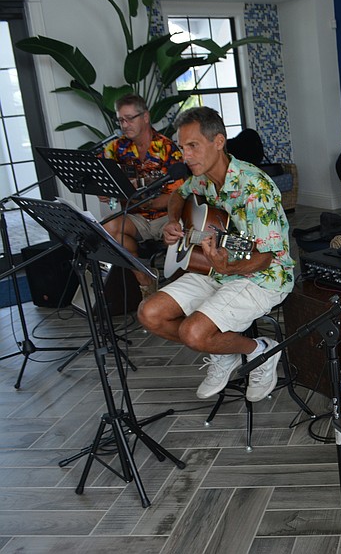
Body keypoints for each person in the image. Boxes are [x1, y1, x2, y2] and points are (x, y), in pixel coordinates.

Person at [137, 106, 295, 402]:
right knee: (150, 314)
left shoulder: (255, 188)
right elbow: (177, 196)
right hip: (214, 269)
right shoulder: (203, 179)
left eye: (193, 146)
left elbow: (267, 256)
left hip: (262, 277)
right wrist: (174, 222)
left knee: (193, 334)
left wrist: (229, 269)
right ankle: (222, 352)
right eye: (183, 148)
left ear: (218, 142)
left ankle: (261, 350)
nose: (185, 156)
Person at [99, 94, 184, 298]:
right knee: (108, 228)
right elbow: (101, 181)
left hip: (167, 216)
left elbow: (179, 195)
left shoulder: (168, 148)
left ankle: (177, 294)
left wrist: (143, 200)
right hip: (137, 218)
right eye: (121, 120)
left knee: (183, 232)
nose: (125, 125)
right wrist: (104, 191)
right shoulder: (115, 148)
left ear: (145, 117)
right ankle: (145, 280)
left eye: (130, 118)